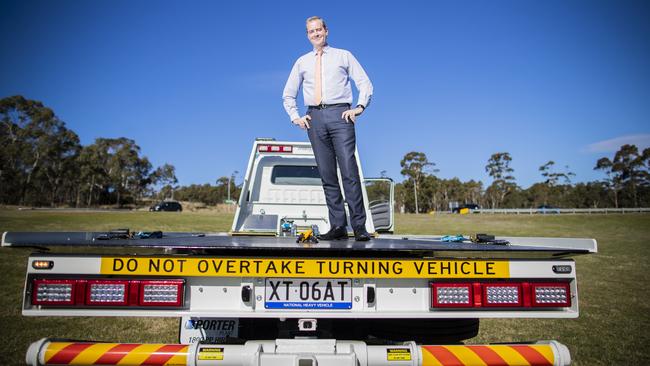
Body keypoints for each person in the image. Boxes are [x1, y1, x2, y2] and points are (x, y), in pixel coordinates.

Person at [282, 16, 373, 241]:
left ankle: (359, 227)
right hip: (315, 118)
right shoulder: (302, 62)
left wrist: (360, 107)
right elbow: (288, 93)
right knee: (327, 174)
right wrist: (296, 117)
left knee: (349, 171)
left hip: (341, 115)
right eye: (311, 31)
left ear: (326, 31)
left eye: (319, 30)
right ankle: (338, 227)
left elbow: (365, 83)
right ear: (307, 35)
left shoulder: (344, 55)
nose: (316, 34)